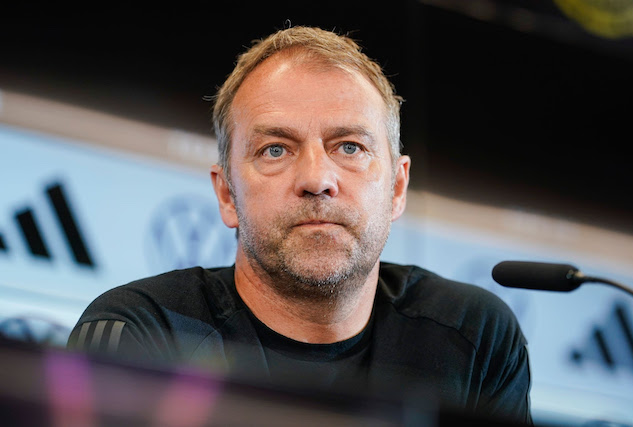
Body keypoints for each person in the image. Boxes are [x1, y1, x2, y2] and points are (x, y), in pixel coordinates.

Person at [67, 25, 531, 423]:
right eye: (275, 149)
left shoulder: (475, 337)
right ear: (227, 193)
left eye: (349, 147)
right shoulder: (140, 333)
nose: (317, 179)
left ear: (396, 187)